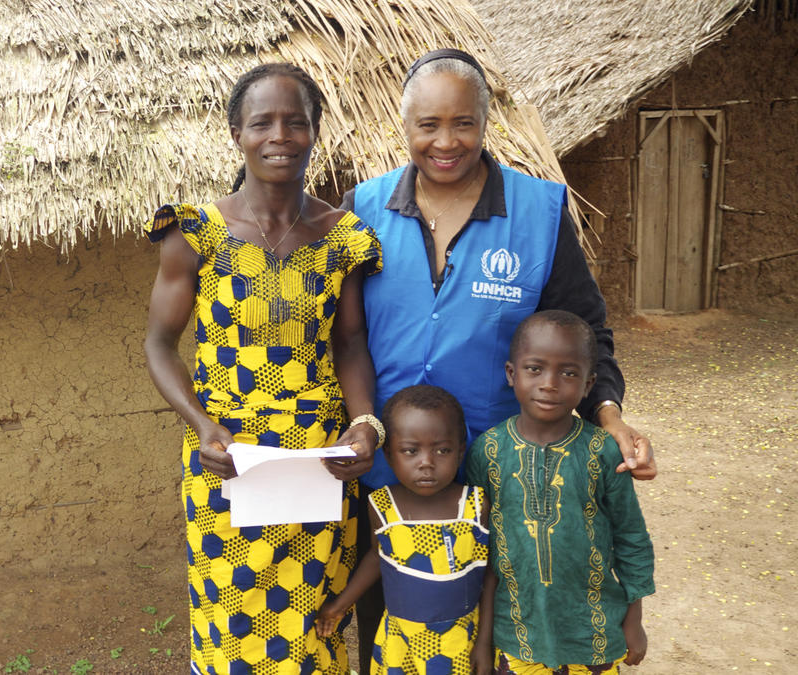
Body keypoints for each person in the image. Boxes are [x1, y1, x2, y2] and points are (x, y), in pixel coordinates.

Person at [341, 48, 658, 666]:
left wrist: (611, 415)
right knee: (394, 628)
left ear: (487, 123)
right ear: (403, 126)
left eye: (463, 123)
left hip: (501, 480)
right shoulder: (363, 211)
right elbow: (342, 335)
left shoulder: (538, 213)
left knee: (501, 636)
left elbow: (586, 330)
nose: (446, 142)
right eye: (428, 125)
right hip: (390, 473)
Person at [143, 62, 385, 674]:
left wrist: (364, 424)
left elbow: (350, 344)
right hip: (227, 456)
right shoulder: (197, 233)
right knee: (232, 623)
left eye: (295, 122)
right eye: (262, 123)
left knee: (313, 622)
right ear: (237, 135)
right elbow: (159, 345)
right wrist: (202, 425)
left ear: (314, 132)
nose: (280, 136)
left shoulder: (343, 237)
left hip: (318, 458)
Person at [468, 310, 655, 673]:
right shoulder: (488, 451)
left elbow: (630, 535)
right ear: (511, 373)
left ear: (588, 384)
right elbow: (483, 554)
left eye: (568, 373)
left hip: (594, 634)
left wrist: (634, 620)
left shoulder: (602, 451)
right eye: (534, 369)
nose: (550, 384)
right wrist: (484, 639)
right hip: (516, 635)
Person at [315, 385, 492, 674]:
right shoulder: (383, 505)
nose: (426, 463)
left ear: (461, 451)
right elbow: (377, 556)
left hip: (460, 643)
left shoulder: (474, 504)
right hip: (399, 643)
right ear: (388, 454)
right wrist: (340, 605)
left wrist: (484, 642)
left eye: (442, 450)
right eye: (411, 451)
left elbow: (489, 574)